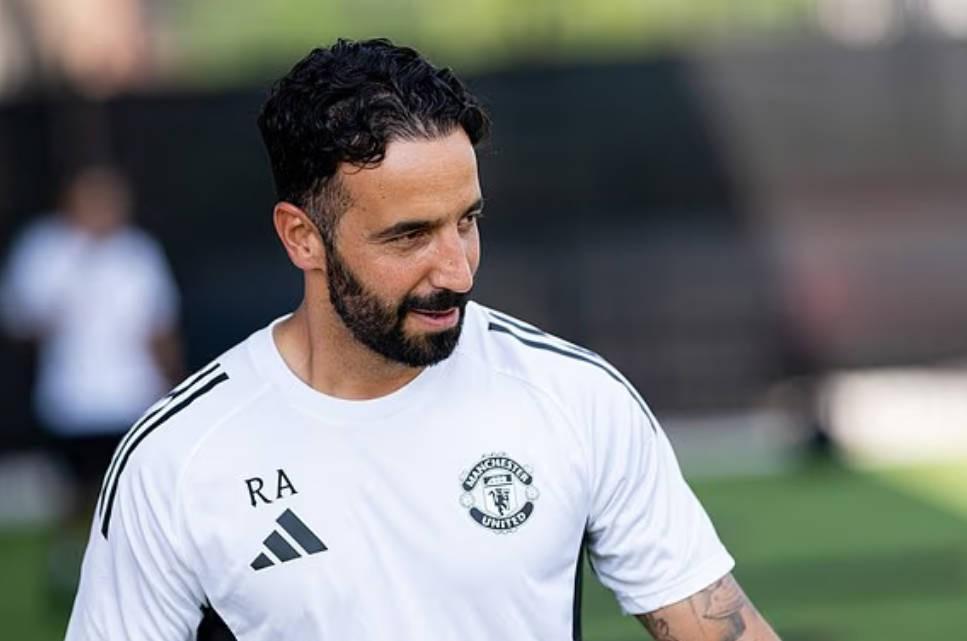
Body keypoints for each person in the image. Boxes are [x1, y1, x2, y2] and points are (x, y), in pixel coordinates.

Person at [65, 39, 781, 641]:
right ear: (302, 237)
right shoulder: (177, 460)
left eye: (466, 221)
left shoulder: (575, 399)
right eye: (408, 236)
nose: (457, 270)